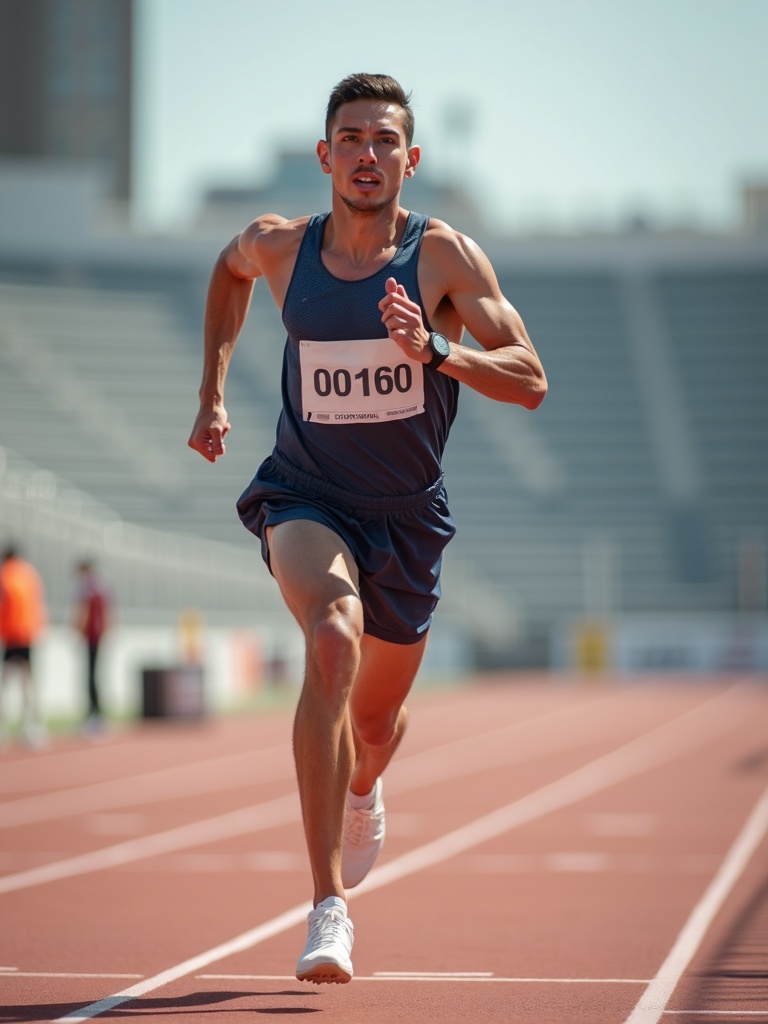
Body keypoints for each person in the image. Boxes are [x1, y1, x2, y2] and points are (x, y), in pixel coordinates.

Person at [188, 72, 547, 985]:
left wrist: (436, 350)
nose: (366, 154)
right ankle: (328, 906)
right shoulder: (280, 248)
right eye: (350, 138)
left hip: (408, 516)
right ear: (325, 155)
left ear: (409, 158)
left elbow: (529, 377)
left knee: (376, 722)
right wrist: (213, 392)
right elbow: (227, 274)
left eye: (384, 140)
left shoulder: (444, 260)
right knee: (332, 637)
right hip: (306, 493)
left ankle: (363, 781)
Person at [0, 544, 48, 748]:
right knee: (28, 682)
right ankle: (33, 726)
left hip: (12, 634)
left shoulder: (5, 574)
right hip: (28, 633)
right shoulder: (31, 574)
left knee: (6, 683)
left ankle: (5, 726)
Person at [73, 559, 112, 731]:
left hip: (91, 636)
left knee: (90, 676)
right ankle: (97, 714)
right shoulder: (101, 585)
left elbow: (84, 611)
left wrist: (76, 632)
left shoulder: (86, 587)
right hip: (99, 634)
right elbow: (108, 611)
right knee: (95, 675)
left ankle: (93, 714)